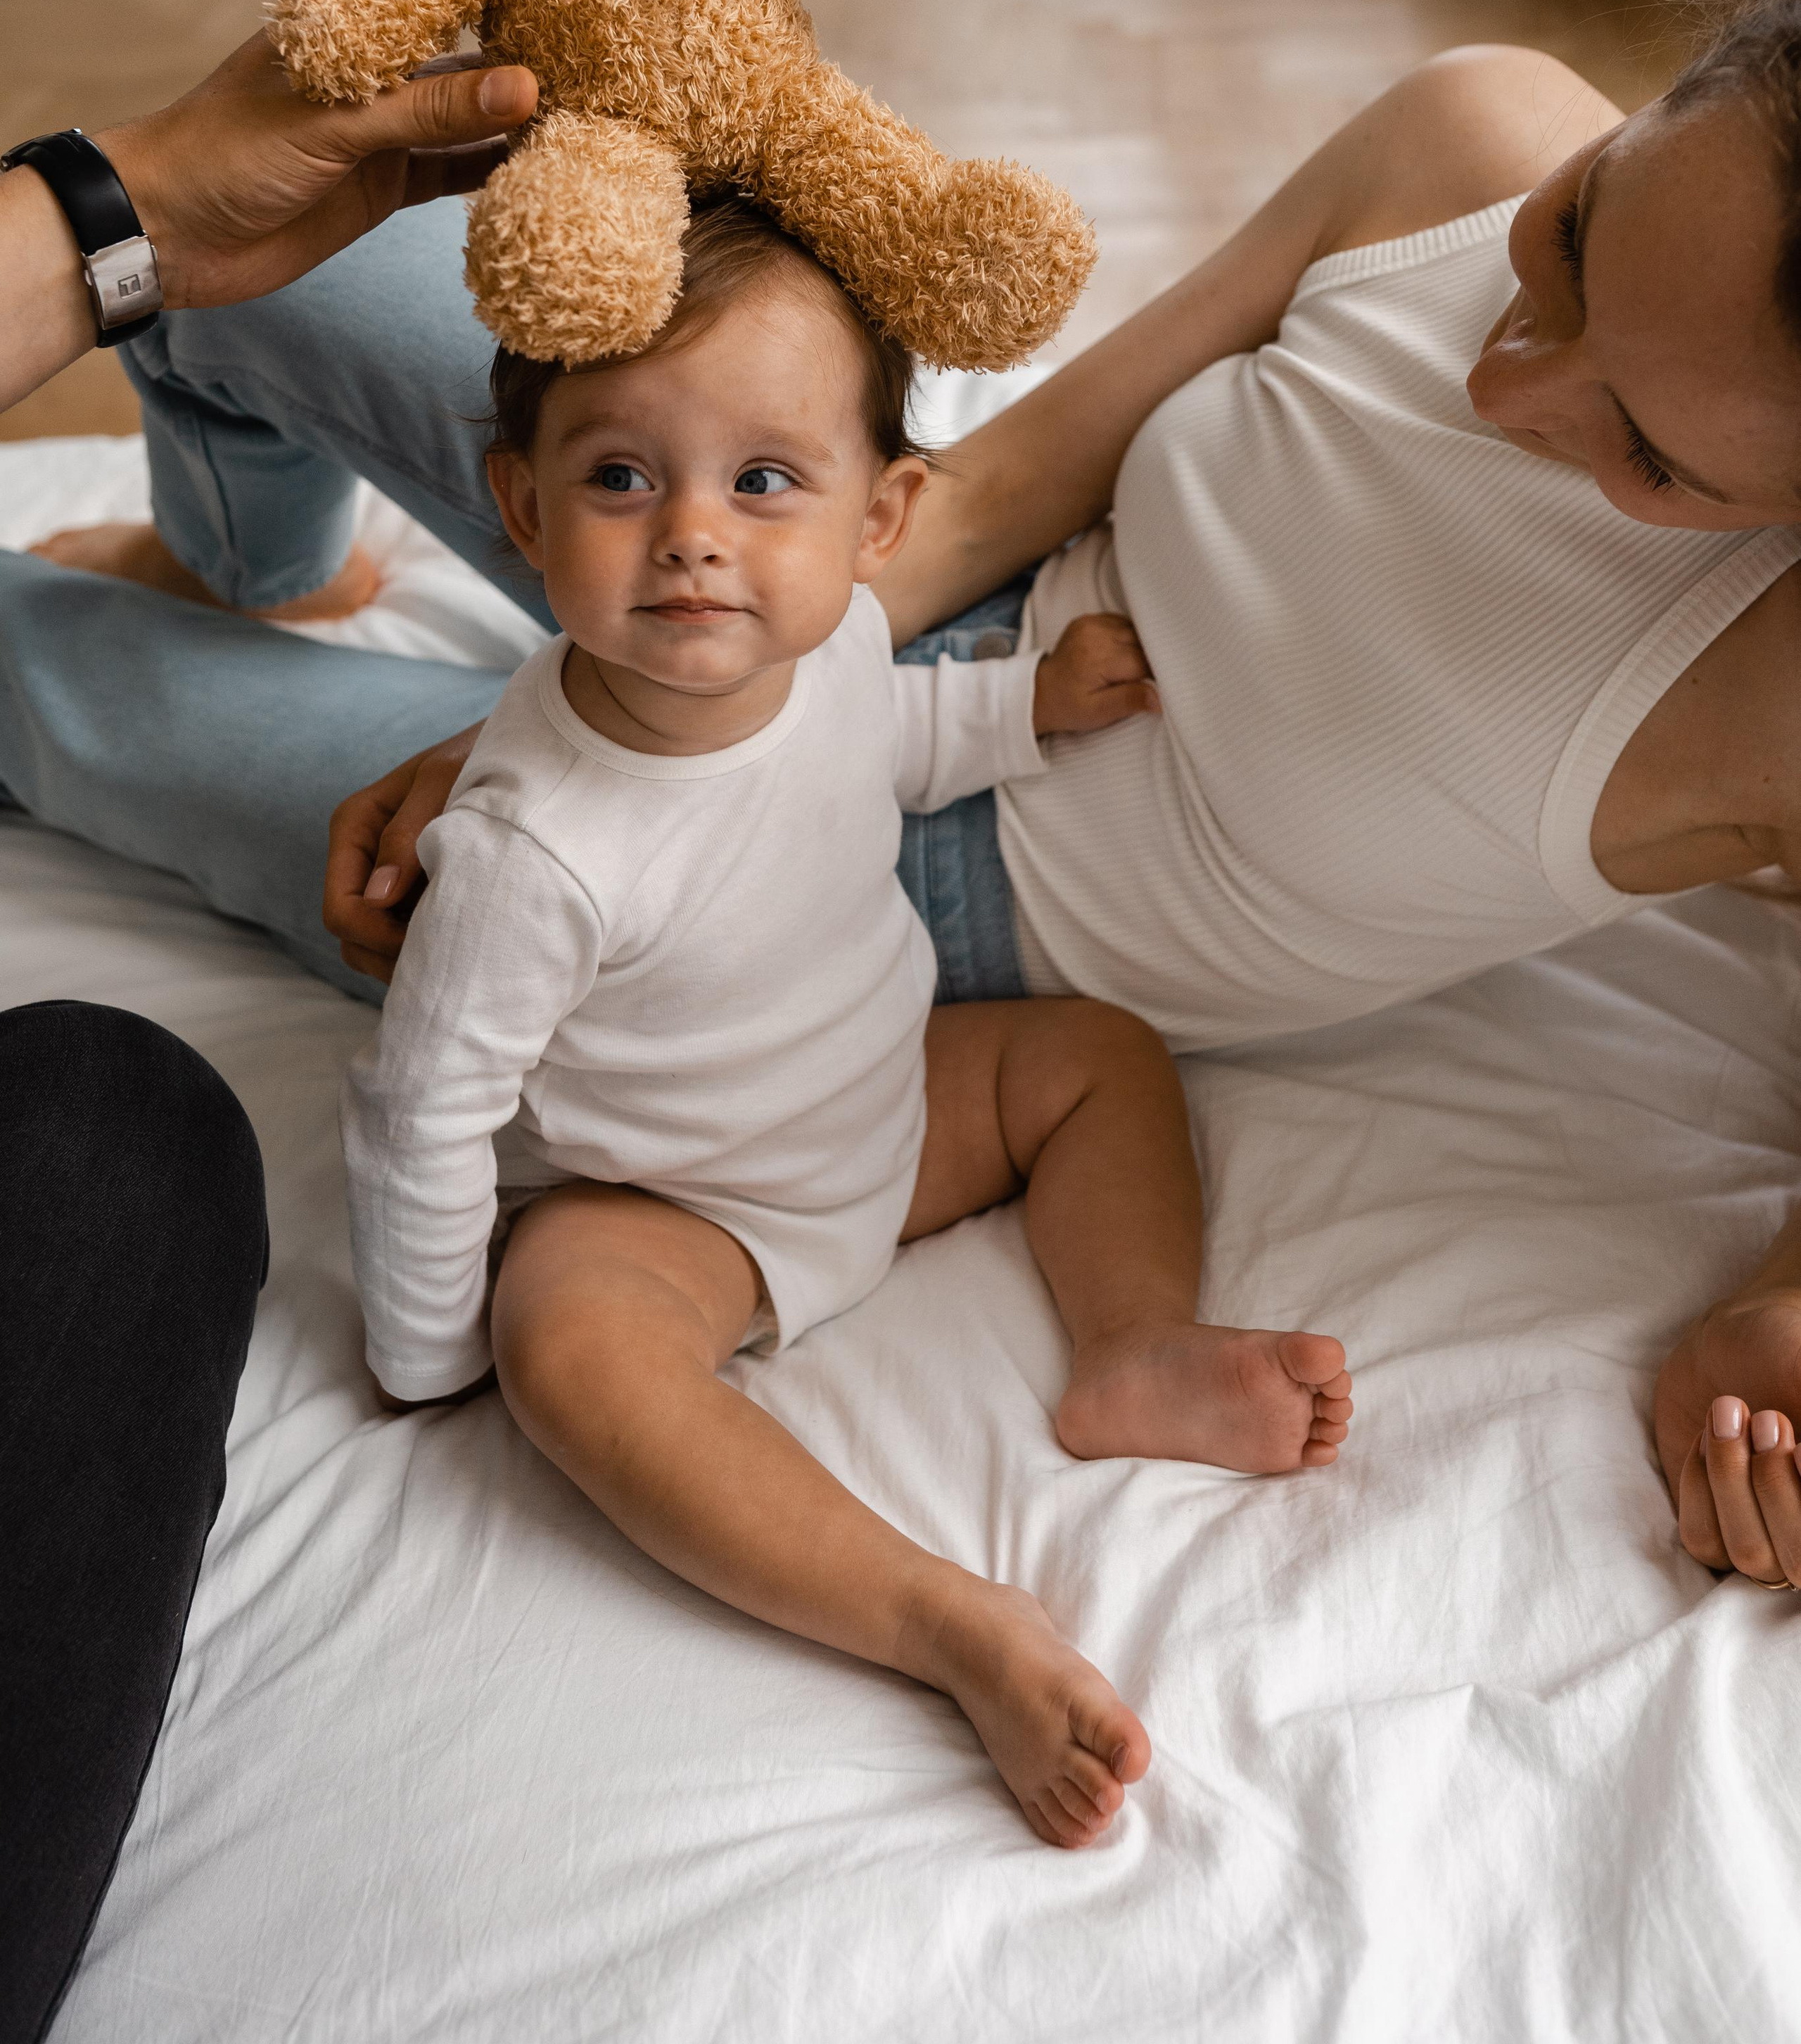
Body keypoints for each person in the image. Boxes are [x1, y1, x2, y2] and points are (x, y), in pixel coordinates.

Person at [8, 0, 1801, 1601]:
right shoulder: (1469, 134)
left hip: (839, 961)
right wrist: (614, 726)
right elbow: (1011, 474)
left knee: (52, 692)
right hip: (884, 617)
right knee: (225, 261)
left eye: (1642, 451)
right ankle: (261, 566)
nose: (1509, 382)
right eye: (1569, 245)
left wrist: (1764, 1329)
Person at [343, 196, 1352, 1852]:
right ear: (520, 509)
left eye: (761, 481)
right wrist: (418, 1356)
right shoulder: (533, 848)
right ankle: (944, 1622)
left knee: (1091, 1052)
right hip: (677, 1210)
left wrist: (1017, 708)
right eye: (618, 478)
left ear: (879, 517)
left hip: (887, 1115)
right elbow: (423, 1115)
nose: (691, 535)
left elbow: (880, 737)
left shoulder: (829, 649)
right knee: (567, 1344)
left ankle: (1130, 1342)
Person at [0, 0, 542, 2042]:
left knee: (113, 1113)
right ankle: (248, 576)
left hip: (850, 681)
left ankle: (229, 577)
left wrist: (110, 210)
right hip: (902, 610)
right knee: (121, 1123)